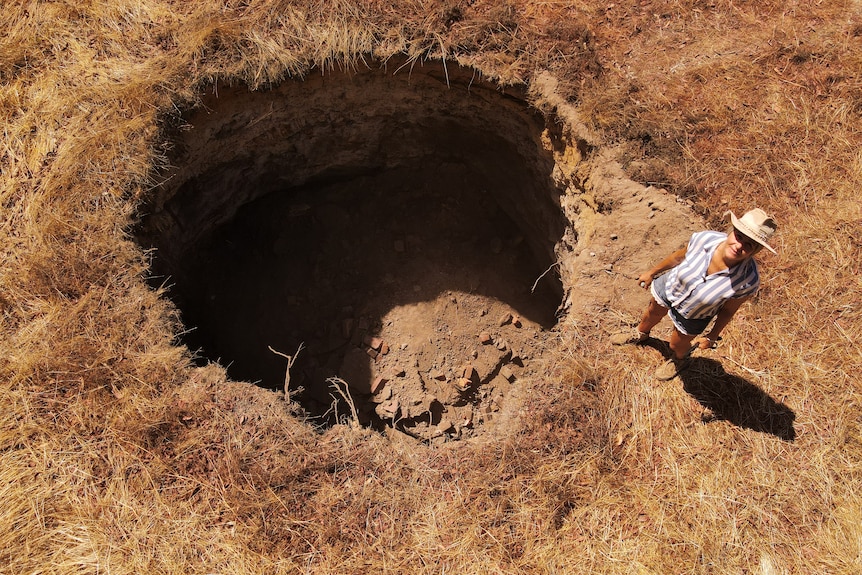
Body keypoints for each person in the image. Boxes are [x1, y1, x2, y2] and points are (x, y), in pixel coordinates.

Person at [611, 208, 777, 380]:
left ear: (756, 250)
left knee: (677, 343)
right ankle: (640, 333)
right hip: (672, 286)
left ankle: (679, 360)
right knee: (653, 311)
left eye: (749, 244)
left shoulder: (747, 279)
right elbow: (678, 257)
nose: (739, 245)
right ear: (732, 231)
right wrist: (652, 272)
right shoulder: (706, 239)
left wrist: (712, 336)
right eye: (739, 236)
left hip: (695, 312)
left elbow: (728, 311)